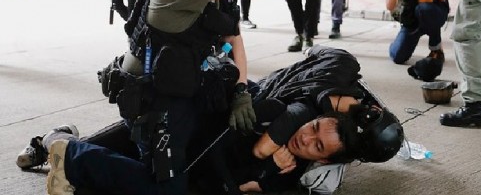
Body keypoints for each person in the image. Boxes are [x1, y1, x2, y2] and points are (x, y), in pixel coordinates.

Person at [40, 0, 337, 195]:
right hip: (153, 94)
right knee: (170, 190)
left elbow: (233, 37)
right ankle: (70, 156)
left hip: (182, 86)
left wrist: (241, 90)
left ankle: (67, 148)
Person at [17, 46, 403, 195]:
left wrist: (260, 182)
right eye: (317, 126)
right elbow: (245, 144)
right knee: (161, 182)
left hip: (202, 143)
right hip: (203, 118)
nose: (309, 138)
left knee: (150, 176)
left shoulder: (315, 171)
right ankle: (58, 145)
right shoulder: (319, 95)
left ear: (327, 159)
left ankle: (62, 147)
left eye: (319, 145)